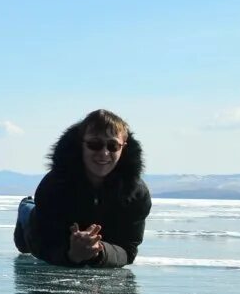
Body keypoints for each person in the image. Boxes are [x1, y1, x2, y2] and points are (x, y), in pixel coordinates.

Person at [14, 108, 151, 267]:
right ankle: (25, 208)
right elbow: (42, 244)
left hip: (95, 239)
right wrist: (71, 254)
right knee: (24, 244)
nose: (104, 153)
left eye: (113, 145)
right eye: (95, 144)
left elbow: (128, 250)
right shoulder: (54, 186)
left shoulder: (136, 194)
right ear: (81, 145)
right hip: (49, 228)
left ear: (123, 147)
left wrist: (99, 251)